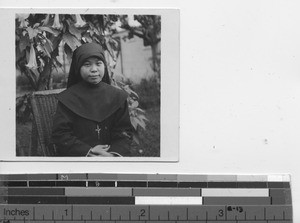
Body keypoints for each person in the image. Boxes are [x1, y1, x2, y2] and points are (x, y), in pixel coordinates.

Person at [51, 43, 133, 157]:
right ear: (78, 67)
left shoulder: (117, 97)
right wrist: (88, 152)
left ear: (104, 65)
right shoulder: (67, 99)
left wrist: (113, 155)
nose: (94, 69)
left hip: (111, 158)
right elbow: (60, 135)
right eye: (87, 64)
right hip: (78, 158)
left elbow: (124, 132)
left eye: (98, 63)